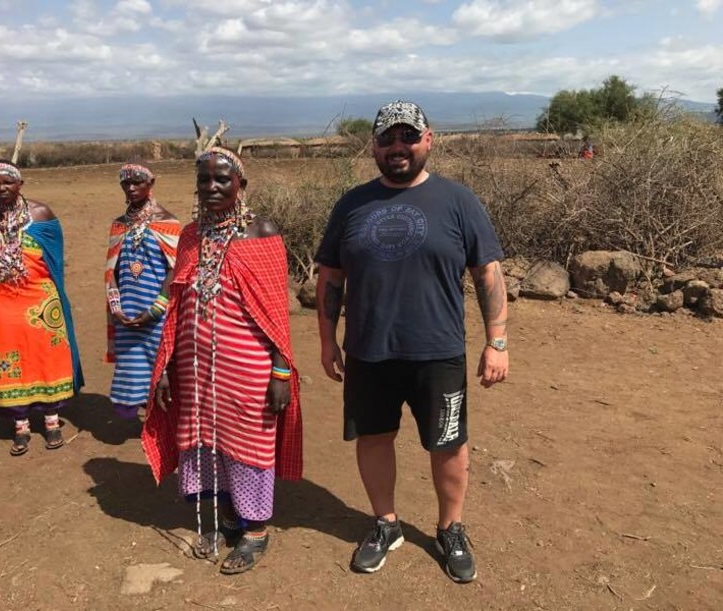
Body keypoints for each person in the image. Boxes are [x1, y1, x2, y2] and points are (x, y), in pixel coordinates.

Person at [315, 101, 509, 583]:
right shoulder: (352, 204)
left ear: (428, 139)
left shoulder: (457, 200)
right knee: (374, 437)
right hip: (368, 350)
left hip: (438, 350)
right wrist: (327, 341)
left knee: (448, 443)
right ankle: (386, 523)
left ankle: (450, 528)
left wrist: (497, 342)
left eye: (407, 136)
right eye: (387, 139)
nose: (397, 147)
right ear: (374, 147)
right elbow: (330, 277)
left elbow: (487, 271)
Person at [142, 147, 302, 575]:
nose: (211, 187)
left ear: (241, 186)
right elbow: (176, 305)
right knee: (205, 442)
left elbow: (276, 314)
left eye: (222, 179)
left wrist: (281, 370)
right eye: (204, 180)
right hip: (194, 369)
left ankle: (255, 531)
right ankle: (228, 515)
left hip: (248, 368)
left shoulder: (260, 233)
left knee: (249, 445)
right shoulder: (191, 236)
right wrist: (167, 367)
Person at [0, 160, 84, 456]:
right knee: (8, 361)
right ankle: (20, 425)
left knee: (47, 357)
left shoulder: (42, 215)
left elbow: (55, 264)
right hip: (0, 304)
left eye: (8, 182)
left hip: (41, 303)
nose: (1, 187)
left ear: (21, 184)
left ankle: (52, 421)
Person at [105, 163, 181, 420]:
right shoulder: (119, 225)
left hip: (158, 312)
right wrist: (116, 307)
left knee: (162, 368)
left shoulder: (168, 223)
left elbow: (175, 270)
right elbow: (112, 270)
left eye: (138, 182)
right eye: (126, 183)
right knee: (132, 369)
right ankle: (147, 419)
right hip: (127, 312)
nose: (132, 187)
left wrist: (157, 308)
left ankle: (163, 428)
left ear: (152, 183)